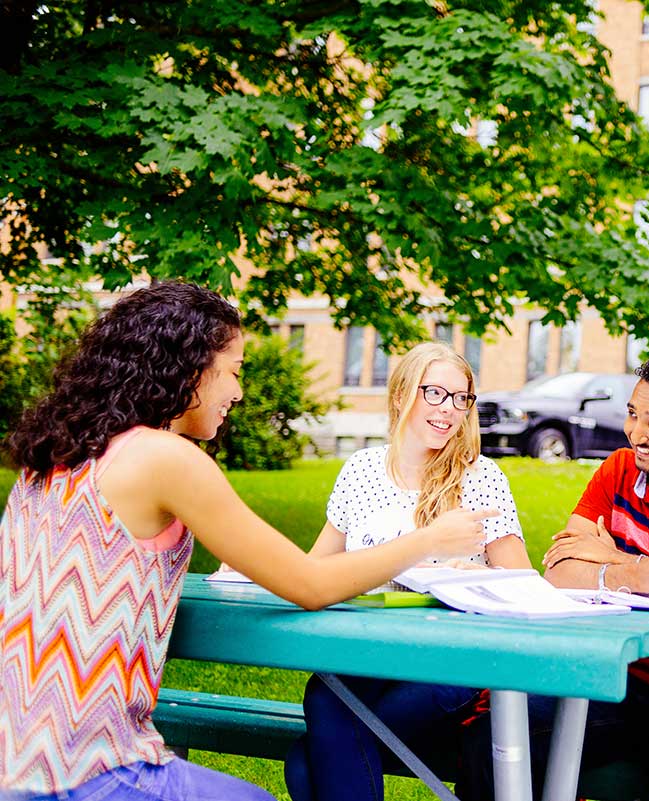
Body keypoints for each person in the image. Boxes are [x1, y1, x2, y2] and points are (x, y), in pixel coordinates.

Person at [0, 283, 492, 801]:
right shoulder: (166, 459)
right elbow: (310, 583)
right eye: (233, 370)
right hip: (87, 771)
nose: (237, 392)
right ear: (188, 367)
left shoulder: (54, 459)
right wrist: (429, 539)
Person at [459, 349, 649, 801]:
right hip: (607, 680)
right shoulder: (617, 470)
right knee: (488, 743)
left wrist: (607, 558)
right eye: (633, 415)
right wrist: (639, 571)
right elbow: (559, 570)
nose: (636, 433)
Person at [282, 342, 531, 801]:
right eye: (434, 393)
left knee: (307, 761)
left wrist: (470, 575)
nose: (449, 409)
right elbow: (315, 568)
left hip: (451, 663)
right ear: (400, 395)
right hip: (368, 654)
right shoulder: (360, 471)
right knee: (322, 704)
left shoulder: (481, 476)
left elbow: (523, 588)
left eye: (461, 397)